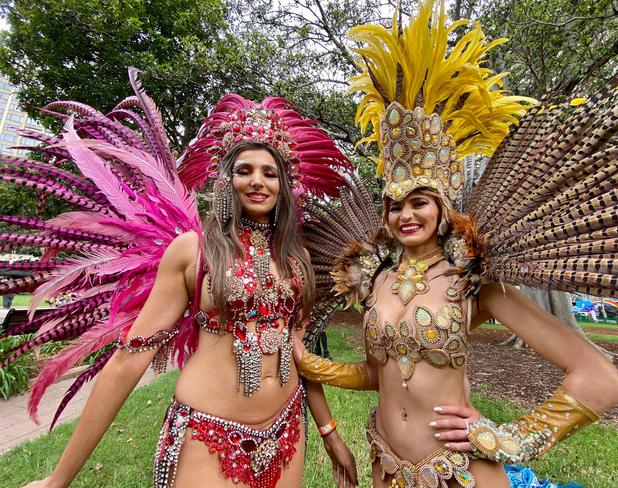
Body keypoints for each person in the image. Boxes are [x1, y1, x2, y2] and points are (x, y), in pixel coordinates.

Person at [293, 1, 618, 486]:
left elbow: (602, 379)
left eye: (420, 202)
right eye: (395, 205)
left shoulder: (473, 283)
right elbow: (383, 374)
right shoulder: (378, 281)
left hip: (457, 471)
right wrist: (316, 366)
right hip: (387, 465)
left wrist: (510, 438)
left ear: (442, 207)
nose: (406, 214)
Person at [1, 74, 357, 488]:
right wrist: (58, 479)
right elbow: (128, 359)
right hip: (208, 434)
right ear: (226, 180)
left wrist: (329, 432)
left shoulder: (297, 258)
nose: (258, 181)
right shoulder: (193, 250)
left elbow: (299, 352)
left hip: (286, 434)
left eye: (270, 173)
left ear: (284, 186)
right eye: (245, 170)